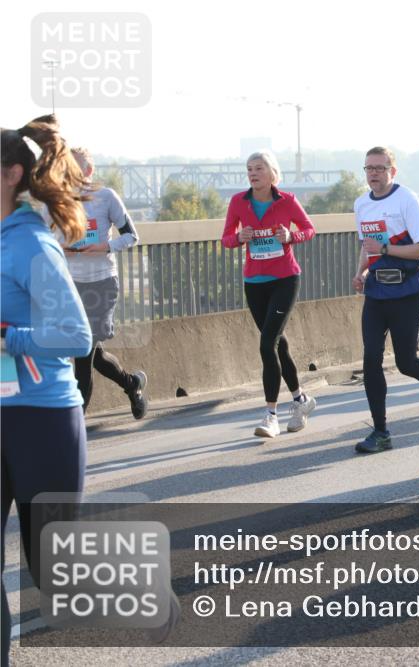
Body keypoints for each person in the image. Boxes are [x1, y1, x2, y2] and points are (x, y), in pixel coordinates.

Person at [1, 115, 93, 666]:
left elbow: (75, 336)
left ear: (12, 174)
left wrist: (10, 337)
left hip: (40, 419)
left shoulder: (33, 244)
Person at [221, 150, 316, 438]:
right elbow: (226, 239)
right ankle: (301, 401)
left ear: (272, 172)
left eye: (259, 168)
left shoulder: (287, 201)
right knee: (277, 344)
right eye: (249, 169)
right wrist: (239, 238)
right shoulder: (239, 201)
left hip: (285, 279)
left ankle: (270, 415)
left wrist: (291, 236)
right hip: (254, 282)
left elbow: (310, 230)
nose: (253, 173)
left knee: (266, 344)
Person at [48, 147, 148, 419]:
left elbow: (131, 236)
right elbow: (44, 239)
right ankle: (132, 384)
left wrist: (106, 246)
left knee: (83, 354)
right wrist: (60, 248)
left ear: (89, 171)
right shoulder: (56, 202)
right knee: (93, 353)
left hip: (102, 284)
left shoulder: (105, 197)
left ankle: (76, 422)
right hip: (70, 287)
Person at [351, 147, 419, 454]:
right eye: (368, 168)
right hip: (376, 292)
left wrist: (386, 250)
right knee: (371, 359)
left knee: (406, 362)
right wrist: (360, 272)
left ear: (392, 171)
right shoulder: (361, 204)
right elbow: (367, 245)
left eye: (379, 168)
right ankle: (381, 431)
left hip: (408, 292)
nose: (373, 173)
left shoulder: (407, 199)